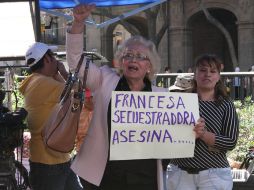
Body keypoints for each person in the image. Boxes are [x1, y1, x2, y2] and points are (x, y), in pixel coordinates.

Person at [66, 4, 169, 190]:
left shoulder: (162, 97)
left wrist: (192, 128)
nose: (133, 60)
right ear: (121, 62)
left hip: (146, 179)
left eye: (140, 56)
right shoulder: (104, 80)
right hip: (107, 177)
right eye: (128, 55)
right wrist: (78, 24)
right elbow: (75, 62)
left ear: (150, 66)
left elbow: (172, 138)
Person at [167, 54, 239, 190]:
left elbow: (231, 141)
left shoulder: (226, 105)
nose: (207, 75)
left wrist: (204, 134)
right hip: (180, 173)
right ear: (195, 73)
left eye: (213, 71)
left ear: (218, 77)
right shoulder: (178, 102)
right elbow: (164, 134)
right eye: (203, 70)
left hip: (214, 175)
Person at [19, 42, 82, 190]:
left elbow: (68, 93)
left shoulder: (36, 82)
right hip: (48, 164)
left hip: (53, 158)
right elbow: (77, 94)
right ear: (46, 59)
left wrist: (56, 74)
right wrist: (64, 73)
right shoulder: (43, 83)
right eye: (53, 57)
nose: (56, 60)